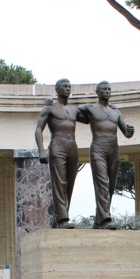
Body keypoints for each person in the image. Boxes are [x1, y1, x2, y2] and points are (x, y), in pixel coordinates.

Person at [78, 80, 135, 230]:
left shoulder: (116, 112)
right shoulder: (90, 108)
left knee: (110, 186)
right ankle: (105, 219)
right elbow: (70, 112)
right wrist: (50, 106)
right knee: (102, 183)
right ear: (97, 92)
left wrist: (130, 131)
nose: (107, 91)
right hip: (98, 147)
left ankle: (99, 221)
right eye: (104, 89)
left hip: (113, 148)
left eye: (109, 89)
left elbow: (126, 132)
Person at [35, 78, 82, 229]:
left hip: (72, 145)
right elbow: (38, 129)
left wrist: (109, 106)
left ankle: (59, 217)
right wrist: (41, 150)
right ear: (57, 89)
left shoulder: (74, 110)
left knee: (70, 183)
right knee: (59, 183)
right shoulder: (49, 108)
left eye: (69, 86)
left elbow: (92, 117)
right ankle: (62, 219)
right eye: (64, 86)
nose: (68, 88)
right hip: (57, 145)